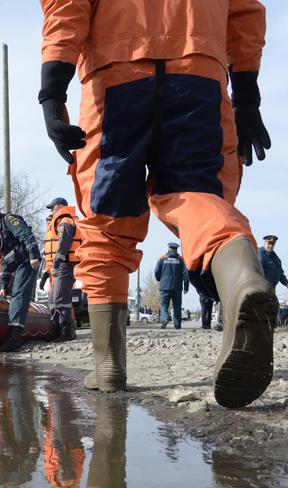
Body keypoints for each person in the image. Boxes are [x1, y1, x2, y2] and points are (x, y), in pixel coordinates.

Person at [38, 0, 277, 408]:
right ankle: (242, 280)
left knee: (107, 221)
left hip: (115, 74)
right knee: (198, 196)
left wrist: (52, 89)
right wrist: (247, 97)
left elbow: (67, 7)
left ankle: (109, 366)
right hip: (200, 74)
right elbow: (245, 12)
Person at [0, 201, 42, 352]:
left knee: (19, 294)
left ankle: (15, 338)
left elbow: (26, 234)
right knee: (15, 295)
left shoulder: (9, 220)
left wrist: (34, 255)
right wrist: (3, 286)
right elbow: (4, 262)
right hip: (18, 264)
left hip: (27, 261)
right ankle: (11, 334)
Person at [43, 197, 82, 341]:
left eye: (52, 208)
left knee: (61, 298)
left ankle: (67, 332)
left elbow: (63, 245)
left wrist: (56, 264)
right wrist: (49, 269)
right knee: (53, 299)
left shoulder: (65, 221)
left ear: (59, 206)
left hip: (65, 264)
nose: (51, 211)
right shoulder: (61, 221)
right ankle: (57, 330)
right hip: (60, 265)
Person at [155, 243, 190, 330]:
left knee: (164, 305)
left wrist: (160, 279)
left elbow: (156, 271)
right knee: (177, 307)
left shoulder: (162, 258)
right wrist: (186, 287)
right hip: (177, 287)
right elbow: (186, 274)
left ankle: (165, 318)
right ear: (176, 250)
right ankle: (177, 326)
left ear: (168, 249)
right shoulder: (181, 259)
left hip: (164, 287)